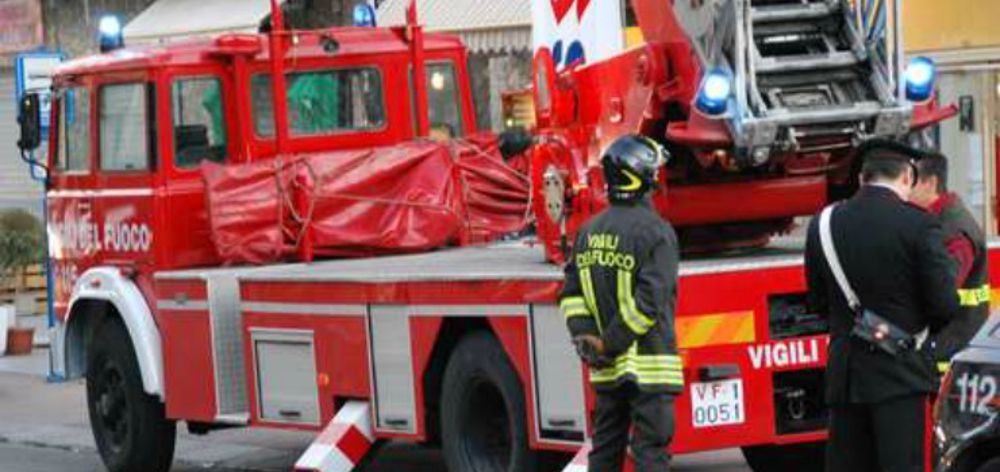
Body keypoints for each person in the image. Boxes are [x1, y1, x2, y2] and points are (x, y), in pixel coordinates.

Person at [804, 140, 960, 472]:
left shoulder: (823, 224)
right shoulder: (919, 224)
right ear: (907, 177)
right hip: (902, 375)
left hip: (846, 377)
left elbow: (817, 303)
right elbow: (945, 304)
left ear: (862, 178)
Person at [559, 134, 683, 472]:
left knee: (605, 453)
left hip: (607, 370)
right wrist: (609, 343)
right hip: (651, 369)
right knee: (650, 454)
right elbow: (649, 302)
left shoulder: (588, 232)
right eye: (653, 171)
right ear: (640, 177)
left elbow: (571, 295)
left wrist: (588, 337)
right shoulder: (657, 232)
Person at [909, 151, 990, 372]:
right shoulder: (938, 221)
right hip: (948, 345)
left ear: (930, 183)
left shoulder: (955, 230)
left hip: (953, 351)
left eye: (911, 180)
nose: (905, 188)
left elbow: (945, 286)